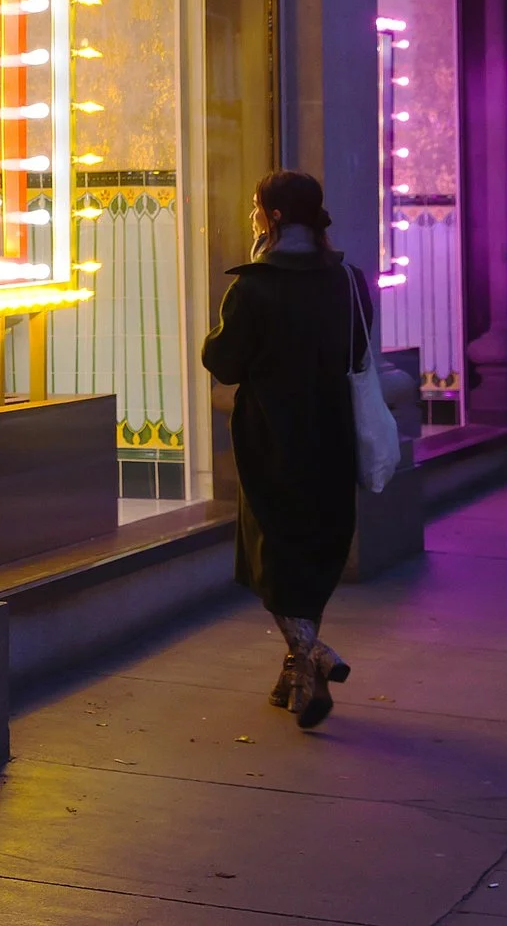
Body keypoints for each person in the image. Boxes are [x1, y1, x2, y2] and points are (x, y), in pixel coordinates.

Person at [200, 169, 371, 730]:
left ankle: (313, 653)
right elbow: (358, 349)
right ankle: (297, 679)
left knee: (271, 552)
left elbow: (223, 362)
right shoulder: (348, 279)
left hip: (272, 438)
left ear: (271, 216)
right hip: (334, 433)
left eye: (257, 207)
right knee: (315, 547)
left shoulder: (253, 286)